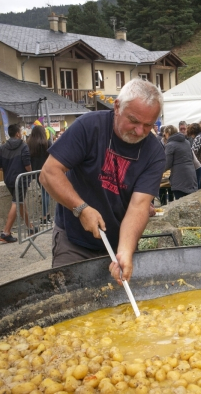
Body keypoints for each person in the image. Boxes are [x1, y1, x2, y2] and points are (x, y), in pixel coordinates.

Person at [40, 78, 165, 283]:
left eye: (148, 124)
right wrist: (81, 209)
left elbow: (139, 206)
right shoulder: (89, 126)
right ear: (117, 107)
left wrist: (125, 252)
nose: (140, 131)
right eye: (133, 121)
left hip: (118, 243)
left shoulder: (154, 152)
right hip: (73, 241)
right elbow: (49, 172)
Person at [0, 124, 35, 243]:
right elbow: (27, 164)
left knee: (20, 202)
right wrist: (31, 173)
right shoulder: (23, 146)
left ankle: (30, 227)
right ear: (18, 134)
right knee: (17, 202)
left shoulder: (2, 148)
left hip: (9, 179)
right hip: (21, 179)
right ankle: (6, 232)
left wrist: (8, 171)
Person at [162, 125, 198, 200]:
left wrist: (157, 171)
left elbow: (167, 164)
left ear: (168, 133)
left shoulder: (170, 145)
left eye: (165, 134)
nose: (164, 136)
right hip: (191, 176)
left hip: (179, 178)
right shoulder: (187, 142)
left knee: (181, 203)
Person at [27, 125, 52, 224]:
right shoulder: (47, 143)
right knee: (46, 193)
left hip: (35, 172)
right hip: (46, 171)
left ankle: (46, 215)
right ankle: (45, 216)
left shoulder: (29, 144)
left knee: (44, 192)